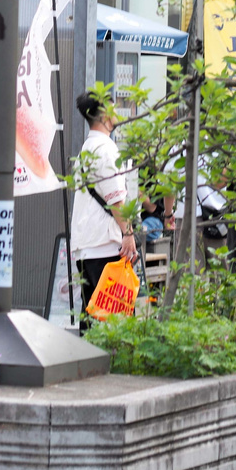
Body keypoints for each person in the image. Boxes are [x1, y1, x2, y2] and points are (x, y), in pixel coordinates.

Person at [69, 93, 140, 319]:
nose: (117, 111)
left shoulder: (87, 148)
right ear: (104, 114)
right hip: (105, 245)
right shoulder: (106, 149)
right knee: (114, 318)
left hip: (86, 245)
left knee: (91, 315)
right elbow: (116, 199)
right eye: (113, 107)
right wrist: (128, 234)